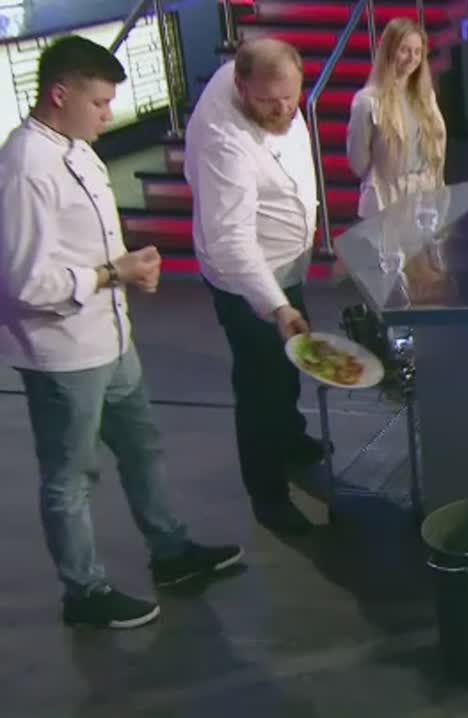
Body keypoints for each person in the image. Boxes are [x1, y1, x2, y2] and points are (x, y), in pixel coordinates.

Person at [0, 36, 242, 629]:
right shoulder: (25, 167)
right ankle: (83, 592)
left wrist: (128, 266)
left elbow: (84, 247)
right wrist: (114, 273)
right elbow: (25, 283)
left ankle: (171, 552)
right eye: (100, 103)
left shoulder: (79, 151)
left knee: (142, 448)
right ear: (60, 94)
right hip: (63, 355)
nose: (109, 115)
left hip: (111, 338)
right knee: (70, 478)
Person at [184, 38, 327, 534]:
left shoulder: (266, 88)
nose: (284, 109)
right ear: (241, 88)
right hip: (246, 279)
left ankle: (291, 438)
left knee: (290, 365)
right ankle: (268, 495)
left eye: (291, 96)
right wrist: (276, 305)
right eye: (269, 101)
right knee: (261, 383)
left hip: (285, 265)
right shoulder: (226, 143)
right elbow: (231, 243)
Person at [346, 18, 448, 218]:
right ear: (389, 51)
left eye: (417, 52)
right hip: (386, 202)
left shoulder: (426, 97)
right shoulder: (367, 101)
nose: (412, 58)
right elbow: (358, 162)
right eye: (405, 50)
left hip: (426, 199)